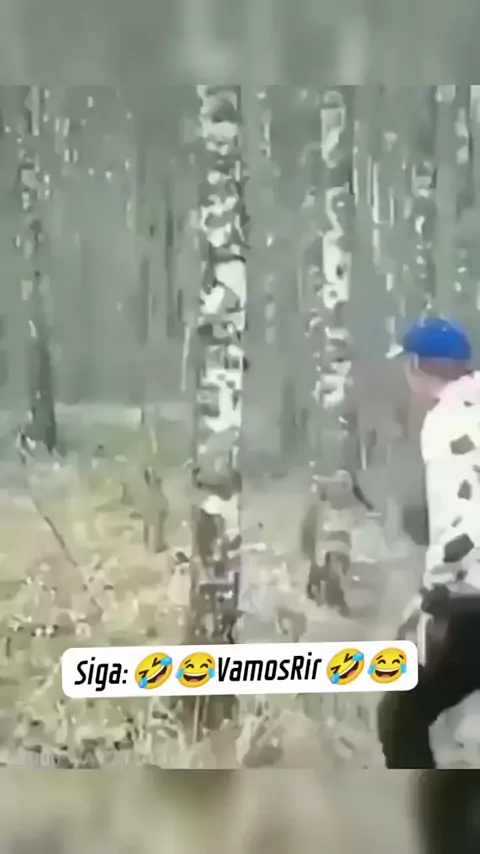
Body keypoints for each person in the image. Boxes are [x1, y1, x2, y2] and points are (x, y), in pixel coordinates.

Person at [377, 315, 480, 769]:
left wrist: (432, 592)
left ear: (421, 367)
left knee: (400, 718)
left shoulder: (449, 423)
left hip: (471, 596)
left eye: (407, 366)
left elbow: (465, 517)